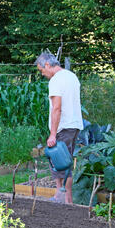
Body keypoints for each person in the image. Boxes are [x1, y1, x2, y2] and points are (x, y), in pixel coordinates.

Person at [35, 52, 83, 204]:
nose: (43, 74)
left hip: (63, 127)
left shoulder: (56, 80)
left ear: (47, 65)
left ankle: (65, 199)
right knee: (65, 162)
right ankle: (62, 197)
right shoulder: (71, 76)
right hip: (74, 125)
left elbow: (57, 108)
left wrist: (53, 134)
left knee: (60, 162)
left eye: (42, 71)